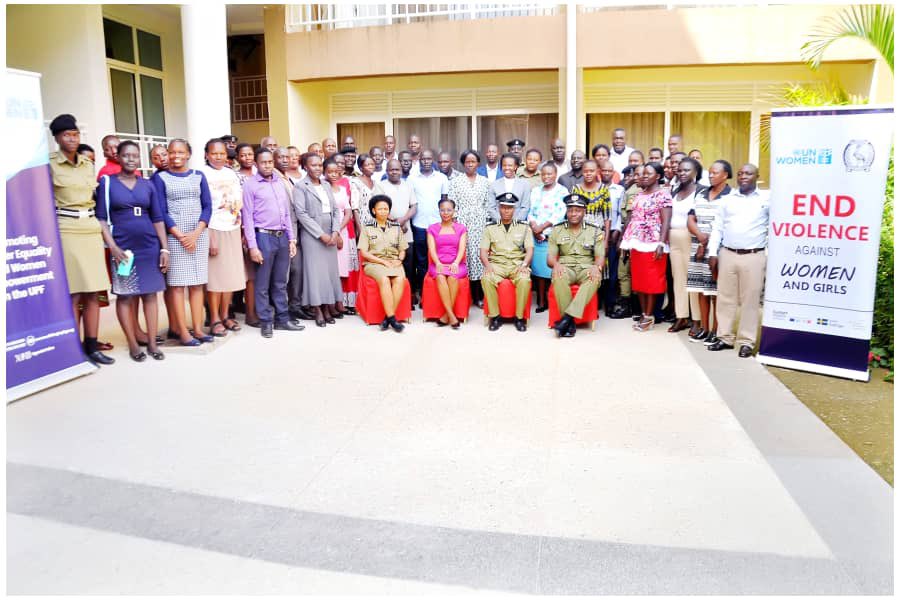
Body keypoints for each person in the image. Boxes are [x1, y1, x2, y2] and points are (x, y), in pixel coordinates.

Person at [96, 140, 168, 361]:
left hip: (149, 247)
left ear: (140, 159)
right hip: (123, 250)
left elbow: (157, 218)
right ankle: (133, 344)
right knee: (126, 296)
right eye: (126, 155)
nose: (130, 159)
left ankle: (153, 343)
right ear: (117, 157)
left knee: (150, 295)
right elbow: (101, 219)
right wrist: (113, 247)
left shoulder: (147, 185)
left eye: (135, 156)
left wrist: (165, 248)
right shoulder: (108, 183)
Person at [48, 115, 111, 364]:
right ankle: (72, 349)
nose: (72, 139)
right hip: (66, 227)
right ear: (56, 138)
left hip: (90, 227)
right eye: (66, 135)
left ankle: (92, 345)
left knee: (94, 291)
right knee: (74, 293)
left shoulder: (87, 163)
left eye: (75, 134)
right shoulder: (50, 165)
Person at [152, 139, 213, 346]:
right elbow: (160, 211)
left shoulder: (199, 176)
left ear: (188, 154)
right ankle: (182, 332)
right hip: (175, 237)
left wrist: (196, 233)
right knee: (177, 286)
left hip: (198, 236)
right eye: (172, 152)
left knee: (197, 284)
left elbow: (207, 207)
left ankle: (197, 329)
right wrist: (180, 235)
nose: (176, 155)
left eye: (181, 152)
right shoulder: (161, 178)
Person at [707, 164, 769, 357]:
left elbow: (774, 228)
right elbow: (717, 228)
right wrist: (712, 253)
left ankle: (746, 342)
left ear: (757, 176)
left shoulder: (767, 199)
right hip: (728, 253)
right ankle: (725, 337)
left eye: (748, 173)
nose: (743, 176)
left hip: (754, 255)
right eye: (740, 173)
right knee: (725, 298)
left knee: (750, 300)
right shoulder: (727, 200)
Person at [241, 148, 303, 338]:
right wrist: (253, 246)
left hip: (282, 236)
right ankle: (266, 321)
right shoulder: (250, 185)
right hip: (263, 237)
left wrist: (291, 239)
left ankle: (282, 319)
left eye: (270, 162)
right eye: (263, 162)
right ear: (256, 164)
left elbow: (286, 213)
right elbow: (248, 218)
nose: (267, 165)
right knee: (262, 283)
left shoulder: (278, 183)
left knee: (279, 282)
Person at [200, 139, 246, 337]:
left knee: (229, 277)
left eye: (222, 153)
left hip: (233, 228)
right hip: (214, 229)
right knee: (215, 279)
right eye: (214, 153)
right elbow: (203, 206)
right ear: (206, 155)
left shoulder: (231, 174)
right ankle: (214, 318)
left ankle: (226, 314)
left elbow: (238, 201)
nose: (218, 157)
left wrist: (242, 229)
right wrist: (209, 236)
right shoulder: (202, 174)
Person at [619, 162, 672, 332]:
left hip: (654, 243)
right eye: (643, 173)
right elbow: (633, 219)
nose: (644, 176)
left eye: (649, 173)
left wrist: (661, 244)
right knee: (639, 282)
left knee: (652, 282)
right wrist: (626, 243)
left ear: (658, 176)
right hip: (636, 242)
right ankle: (643, 313)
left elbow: (666, 222)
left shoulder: (663, 195)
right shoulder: (639, 195)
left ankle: (649, 316)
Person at [293, 155, 344, 327]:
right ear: (305, 167)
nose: (317, 168)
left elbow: (336, 211)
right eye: (312, 165)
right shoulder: (300, 187)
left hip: (331, 233)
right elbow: (301, 214)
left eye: (319, 165)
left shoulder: (327, 185)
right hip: (313, 235)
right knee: (315, 274)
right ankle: (318, 309)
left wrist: (336, 232)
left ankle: (328, 306)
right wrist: (321, 234)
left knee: (329, 273)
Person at [547, 194, 606, 338]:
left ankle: (566, 320)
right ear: (566, 211)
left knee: (594, 277)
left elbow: (600, 257)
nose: (573, 214)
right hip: (565, 267)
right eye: (570, 210)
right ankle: (570, 323)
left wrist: (596, 267)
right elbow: (550, 258)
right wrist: (556, 264)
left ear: (584, 211)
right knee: (558, 276)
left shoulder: (595, 231)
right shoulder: (557, 230)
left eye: (578, 210)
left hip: (586, 268)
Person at [687, 159, 732, 343]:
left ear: (726, 175)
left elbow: (725, 226)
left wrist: (706, 243)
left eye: (715, 172)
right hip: (697, 245)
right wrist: (699, 236)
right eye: (710, 173)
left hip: (716, 249)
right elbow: (691, 218)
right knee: (700, 290)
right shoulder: (701, 192)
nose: (711, 175)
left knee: (714, 292)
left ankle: (716, 330)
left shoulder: (731, 196)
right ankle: (704, 329)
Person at [481, 193, 534, 332]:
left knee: (524, 280)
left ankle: (519, 318)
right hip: (497, 265)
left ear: (514, 209)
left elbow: (529, 249)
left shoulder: (524, 227)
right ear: (499, 208)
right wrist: (487, 266)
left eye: (509, 208)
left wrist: (524, 265)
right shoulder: (490, 228)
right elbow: (483, 252)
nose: (506, 210)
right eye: (503, 207)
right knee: (486, 278)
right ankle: (495, 316)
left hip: (517, 265)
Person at [357, 195, 408, 332]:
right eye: (380, 209)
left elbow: (402, 249)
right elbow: (364, 253)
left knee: (399, 279)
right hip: (374, 263)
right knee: (384, 279)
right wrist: (382, 261)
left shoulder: (396, 227)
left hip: (394, 262)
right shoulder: (367, 228)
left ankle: (387, 319)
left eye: (386, 209)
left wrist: (399, 259)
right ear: (374, 210)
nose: (384, 211)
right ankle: (392, 318)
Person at [449, 150, 491, 308]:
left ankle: (480, 295)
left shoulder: (485, 182)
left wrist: (487, 224)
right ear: (463, 163)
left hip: (481, 224)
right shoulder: (455, 181)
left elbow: (488, 204)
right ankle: (469, 295)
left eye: (473, 162)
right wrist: (455, 225)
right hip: (463, 223)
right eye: (467, 162)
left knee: (480, 257)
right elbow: (452, 206)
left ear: (478, 163)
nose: (470, 164)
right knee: (466, 258)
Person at [668, 157, 706, 334]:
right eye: (680, 170)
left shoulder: (701, 192)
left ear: (695, 173)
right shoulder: (675, 191)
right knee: (679, 278)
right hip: (674, 238)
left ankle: (697, 320)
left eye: (686, 170)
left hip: (691, 238)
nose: (682, 173)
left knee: (693, 279)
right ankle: (681, 316)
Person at [408, 149, 449, 304]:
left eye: (429, 158)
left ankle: (438, 293)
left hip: (438, 225)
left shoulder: (442, 178)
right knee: (421, 262)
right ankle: (424, 294)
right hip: (419, 225)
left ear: (433, 160)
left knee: (438, 258)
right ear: (419, 160)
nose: (426, 161)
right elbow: (409, 202)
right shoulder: (412, 179)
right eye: (423, 159)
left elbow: (445, 201)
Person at [527, 162, 568, 312]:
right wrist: (535, 229)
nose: (546, 177)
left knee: (551, 270)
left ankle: (553, 300)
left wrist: (542, 228)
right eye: (543, 174)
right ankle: (541, 301)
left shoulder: (562, 191)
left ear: (555, 175)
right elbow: (530, 212)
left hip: (553, 236)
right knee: (538, 271)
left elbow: (560, 214)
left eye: (549, 174)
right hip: (536, 236)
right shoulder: (536, 191)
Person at [609, 164, 645, 319]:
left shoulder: (636, 191)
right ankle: (630, 306)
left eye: (636, 175)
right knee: (626, 272)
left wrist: (622, 240)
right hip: (629, 233)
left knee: (625, 272)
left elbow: (629, 218)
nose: (632, 178)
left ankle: (630, 307)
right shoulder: (628, 190)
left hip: (631, 235)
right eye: (629, 176)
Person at [427, 199, 468, 328]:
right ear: (439, 211)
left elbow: (462, 248)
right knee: (440, 276)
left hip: (456, 264)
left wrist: (456, 263)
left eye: (449, 210)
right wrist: (438, 262)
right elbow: (431, 249)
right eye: (442, 210)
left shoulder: (461, 228)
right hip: (437, 263)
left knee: (452, 277)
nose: (445, 213)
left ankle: (446, 316)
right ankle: (451, 315)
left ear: (454, 211)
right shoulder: (432, 228)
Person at [375, 158, 417, 283]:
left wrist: (403, 220)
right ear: (387, 171)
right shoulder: (380, 186)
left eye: (397, 169)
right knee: (391, 264)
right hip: (387, 233)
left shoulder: (408, 185)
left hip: (406, 233)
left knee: (408, 265)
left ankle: (408, 295)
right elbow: (379, 207)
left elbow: (414, 206)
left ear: (401, 170)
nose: (394, 172)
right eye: (391, 169)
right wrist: (396, 224)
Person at [325, 156, 357, 314]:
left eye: (336, 172)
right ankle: (330, 304)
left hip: (342, 232)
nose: (333, 174)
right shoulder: (323, 189)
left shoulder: (343, 190)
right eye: (330, 172)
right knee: (331, 269)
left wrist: (339, 231)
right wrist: (335, 233)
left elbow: (348, 212)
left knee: (342, 270)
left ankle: (339, 302)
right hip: (329, 232)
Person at [490, 153, 531, 223]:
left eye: (510, 165)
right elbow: (491, 207)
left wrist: (515, 221)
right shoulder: (494, 185)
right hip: (498, 225)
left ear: (515, 167)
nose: (507, 168)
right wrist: (501, 221)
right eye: (504, 165)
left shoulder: (525, 185)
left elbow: (525, 207)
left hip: (517, 225)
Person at [350, 154, 377, 229]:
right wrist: (359, 228)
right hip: (362, 223)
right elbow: (355, 208)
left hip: (375, 223)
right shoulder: (355, 182)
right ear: (361, 168)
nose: (371, 167)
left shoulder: (375, 183)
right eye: (367, 165)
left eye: (372, 164)